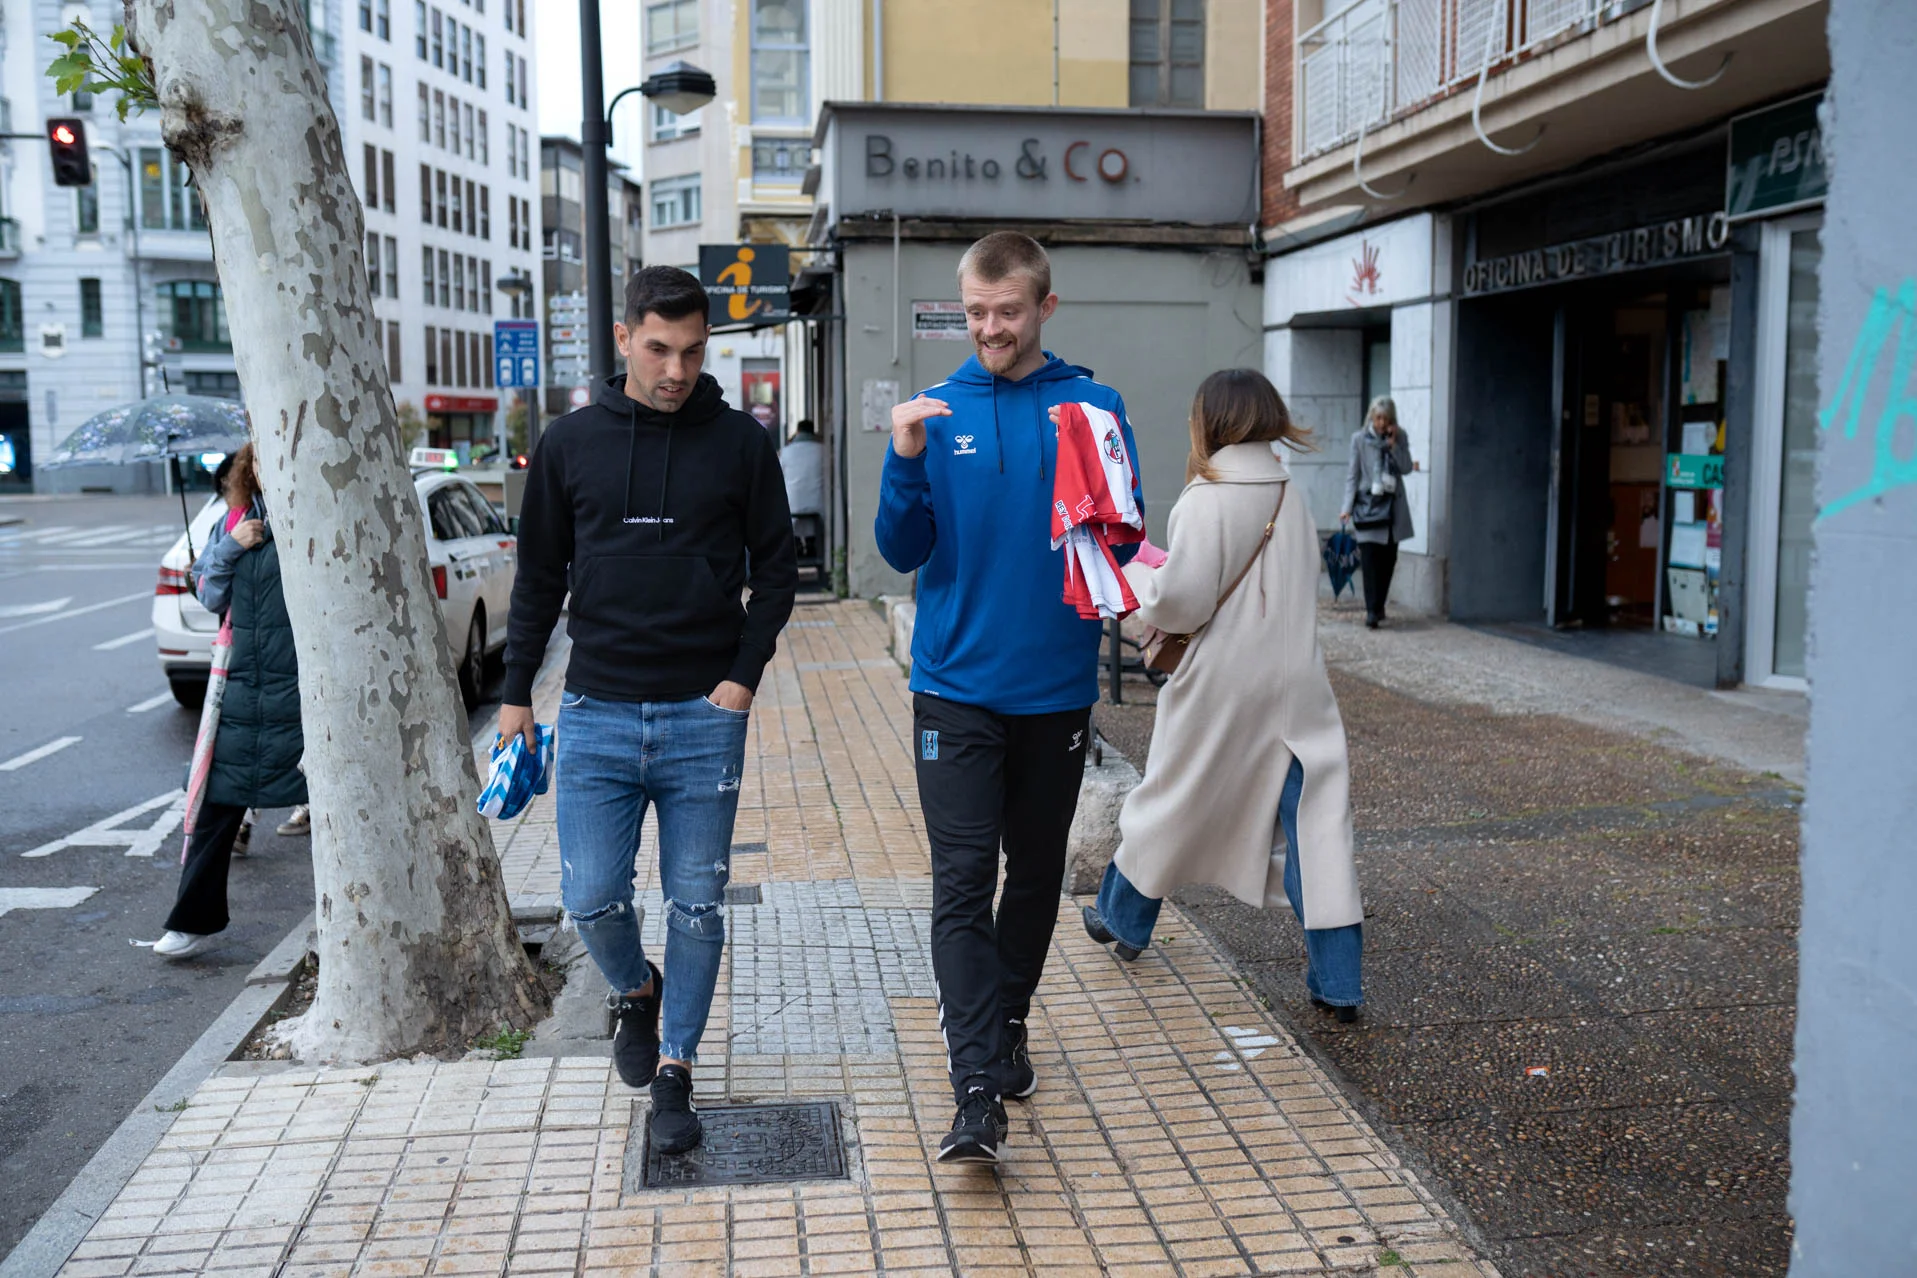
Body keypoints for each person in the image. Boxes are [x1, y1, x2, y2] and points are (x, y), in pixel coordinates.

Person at [500, 266, 797, 1156]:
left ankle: (675, 1070)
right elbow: (538, 577)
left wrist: (743, 675)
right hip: (594, 710)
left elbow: (777, 569)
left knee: (697, 905)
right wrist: (515, 694)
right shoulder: (569, 443)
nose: (676, 369)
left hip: (704, 713)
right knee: (589, 897)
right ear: (625, 338)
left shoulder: (741, 444)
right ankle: (636, 991)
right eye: (659, 349)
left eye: (693, 351)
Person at [876, 231, 1143, 1165]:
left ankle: (1009, 1024)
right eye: (976, 312)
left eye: (1008, 311)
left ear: (1043, 309)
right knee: (960, 883)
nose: (989, 327)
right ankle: (975, 1089)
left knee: (1031, 877)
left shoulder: (1093, 407)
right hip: (953, 687)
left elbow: (1119, 544)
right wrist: (907, 458)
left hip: (1055, 694)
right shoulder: (933, 411)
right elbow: (900, 550)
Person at [1080, 369, 1365, 1019]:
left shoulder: (1205, 497)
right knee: (1316, 831)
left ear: (1210, 420)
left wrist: (1141, 583)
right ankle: (1338, 983)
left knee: (1173, 798)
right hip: (1297, 684)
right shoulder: (1292, 494)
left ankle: (1122, 918)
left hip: (1222, 684)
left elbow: (1180, 603)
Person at [155, 443, 309, 960]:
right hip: (242, 683)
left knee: (339, 806)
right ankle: (190, 922)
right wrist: (231, 546)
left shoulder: (319, 514)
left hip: (308, 689)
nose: (270, 468)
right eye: (261, 459)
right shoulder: (236, 520)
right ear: (251, 468)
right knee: (218, 800)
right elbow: (209, 593)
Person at [1339, 396, 1416, 629]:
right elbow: (1353, 475)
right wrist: (1346, 508)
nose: (1382, 423)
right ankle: (1372, 611)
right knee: (1370, 563)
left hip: (1392, 511)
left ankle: (1379, 604)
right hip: (1368, 509)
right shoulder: (1359, 439)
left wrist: (1393, 446)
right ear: (1372, 417)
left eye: (1386, 418)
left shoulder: (1399, 437)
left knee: (1387, 561)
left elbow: (1406, 468)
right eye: (1378, 417)